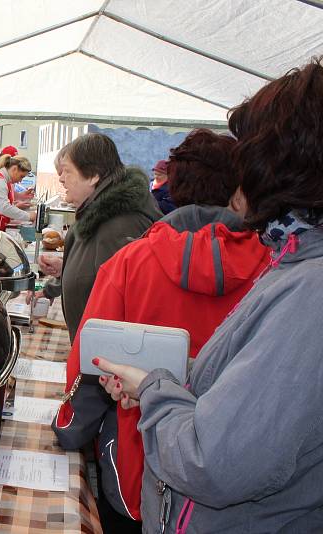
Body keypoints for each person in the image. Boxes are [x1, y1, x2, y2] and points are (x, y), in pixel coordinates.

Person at [95, 60, 323, 533]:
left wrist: (155, 391)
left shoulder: (311, 289)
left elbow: (213, 460)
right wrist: (158, 383)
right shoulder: (289, 260)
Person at [54, 129, 270, 532]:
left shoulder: (130, 261)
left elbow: (89, 359)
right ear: (240, 189)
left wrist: (68, 429)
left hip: (138, 462)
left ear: (174, 184)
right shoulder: (274, 271)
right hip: (234, 486)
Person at [42, 134, 162, 343]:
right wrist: (68, 267)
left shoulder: (121, 224)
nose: (61, 178)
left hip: (102, 359)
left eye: (68, 171)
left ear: (93, 175)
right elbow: (97, 271)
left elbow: (123, 304)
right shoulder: (99, 213)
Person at [0, 154, 36, 230]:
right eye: (21, 176)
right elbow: (4, 208)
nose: (20, 181)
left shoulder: (3, 180)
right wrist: (29, 216)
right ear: (14, 169)